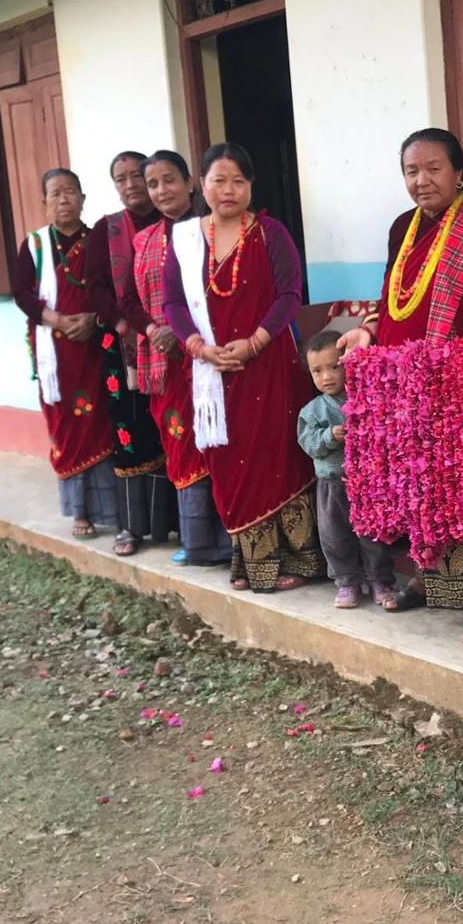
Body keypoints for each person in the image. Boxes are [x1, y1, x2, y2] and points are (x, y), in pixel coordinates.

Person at [334, 129, 463, 625]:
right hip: (407, 378)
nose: (422, 180)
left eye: (434, 169)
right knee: (421, 479)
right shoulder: (402, 227)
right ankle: (426, 577)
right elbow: (391, 295)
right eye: (411, 171)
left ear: (459, 173)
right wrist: (369, 330)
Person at [160, 142, 324, 593]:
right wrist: (198, 347)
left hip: (269, 366)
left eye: (238, 180)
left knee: (275, 457)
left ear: (251, 186)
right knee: (230, 463)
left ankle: (298, 561)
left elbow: (289, 294)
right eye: (219, 180)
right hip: (213, 372)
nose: (228, 189)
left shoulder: (270, 233)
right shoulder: (186, 239)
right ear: (202, 185)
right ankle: (251, 563)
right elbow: (173, 302)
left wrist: (254, 343)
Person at [124, 150, 229, 567]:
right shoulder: (144, 240)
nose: (161, 190)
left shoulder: (213, 230)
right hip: (165, 363)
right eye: (153, 184)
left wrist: (181, 330)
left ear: (190, 182)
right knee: (182, 445)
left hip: (207, 356)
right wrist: (155, 331)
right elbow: (129, 300)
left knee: (216, 441)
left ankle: (230, 540)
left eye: (169, 180)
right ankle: (198, 541)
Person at [12, 168, 123, 539]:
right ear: (44, 202)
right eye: (55, 193)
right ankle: (80, 511)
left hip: (96, 348)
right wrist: (58, 320)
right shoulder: (35, 245)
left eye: (70, 191)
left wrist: (93, 319)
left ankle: (113, 511)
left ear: (83, 199)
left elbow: (111, 289)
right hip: (57, 356)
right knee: (67, 427)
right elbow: (22, 294)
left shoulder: (98, 241)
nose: (64, 199)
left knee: (102, 422)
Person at [90, 150, 169, 556]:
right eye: (120, 179)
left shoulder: (174, 222)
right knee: (130, 430)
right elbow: (96, 288)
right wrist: (128, 326)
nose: (131, 184)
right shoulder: (105, 230)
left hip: (173, 340)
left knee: (172, 426)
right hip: (123, 346)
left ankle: (173, 523)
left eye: (137, 175)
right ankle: (131, 527)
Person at [298, 329, 398, 610]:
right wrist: (329, 435)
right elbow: (308, 443)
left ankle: (380, 580)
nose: (326, 377)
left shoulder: (362, 399)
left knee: (371, 534)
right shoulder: (312, 411)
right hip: (331, 484)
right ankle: (347, 582)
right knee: (335, 536)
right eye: (317, 371)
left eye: (334, 367)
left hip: (364, 482)